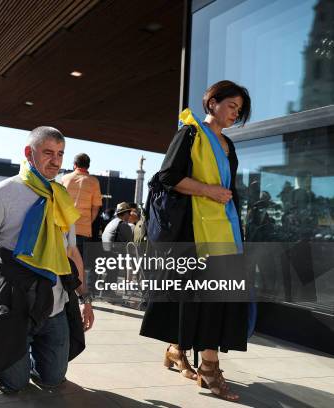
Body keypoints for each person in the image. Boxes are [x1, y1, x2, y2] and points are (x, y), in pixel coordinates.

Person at [139, 80, 251, 402]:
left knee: (214, 301)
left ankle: (177, 350)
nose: (235, 114)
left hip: (223, 231)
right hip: (194, 232)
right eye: (232, 106)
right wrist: (209, 190)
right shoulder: (190, 132)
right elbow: (167, 177)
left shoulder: (229, 144)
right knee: (202, 301)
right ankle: (210, 370)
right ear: (212, 102)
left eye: (239, 111)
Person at [0, 126, 94, 394]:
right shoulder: (5, 191)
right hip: (16, 301)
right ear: (28, 153)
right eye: (48, 153)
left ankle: (22, 351)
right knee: (14, 383)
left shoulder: (62, 196)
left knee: (52, 378)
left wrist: (85, 299)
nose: (56, 161)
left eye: (60, 154)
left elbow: (71, 252)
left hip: (54, 303)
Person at [61, 153, 102, 254]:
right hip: (83, 228)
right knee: (78, 262)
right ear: (88, 166)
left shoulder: (64, 179)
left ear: (75, 164)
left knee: (61, 261)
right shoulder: (94, 182)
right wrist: (88, 222)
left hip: (63, 226)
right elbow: (96, 207)